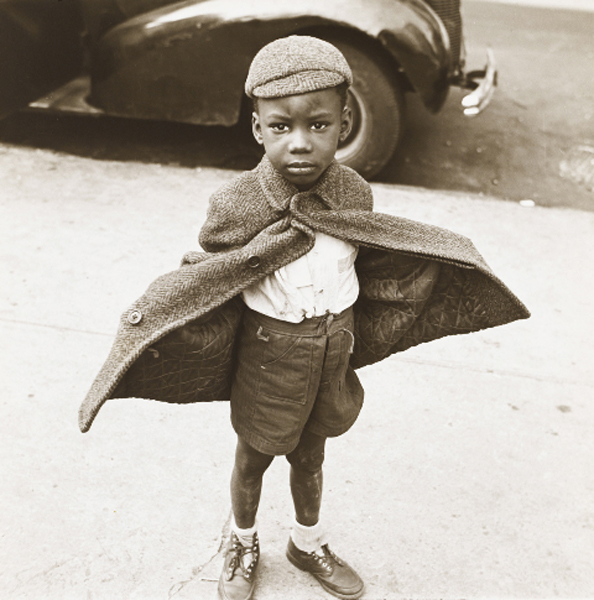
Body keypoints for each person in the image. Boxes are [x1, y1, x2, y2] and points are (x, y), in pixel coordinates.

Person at [199, 36, 368, 600]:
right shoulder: (238, 203)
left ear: (344, 123)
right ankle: (242, 540)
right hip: (269, 351)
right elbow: (209, 273)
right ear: (257, 128)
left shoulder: (355, 194)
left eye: (318, 126)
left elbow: (377, 258)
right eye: (280, 127)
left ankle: (307, 540)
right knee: (253, 456)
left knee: (312, 453)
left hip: (332, 349)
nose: (299, 144)